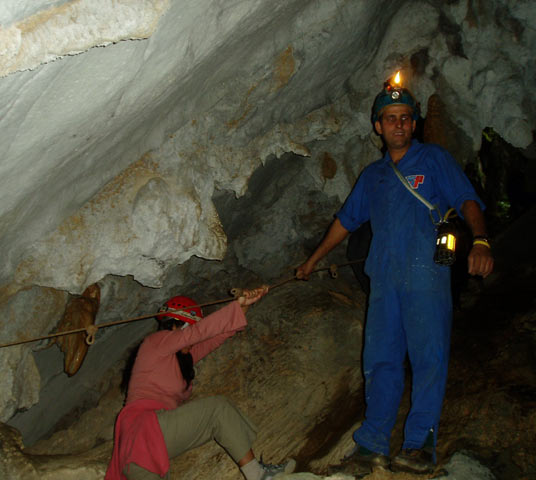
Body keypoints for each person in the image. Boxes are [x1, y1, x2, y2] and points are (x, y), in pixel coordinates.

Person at [296, 77, 493, 475]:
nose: (398, 124)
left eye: (405, 118)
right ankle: (371, 445)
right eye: (390, 118)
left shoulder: (434, 160)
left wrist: (482, 241)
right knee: (380, 361)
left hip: (426, 274)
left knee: (428, 358)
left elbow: (467, 200)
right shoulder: (373, 176)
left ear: (414, 124)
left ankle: (420, 444)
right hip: (384, 280)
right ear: (378, 127)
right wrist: (314, 259)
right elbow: (346, 221)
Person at [106, 288, 296, 480]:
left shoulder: (178, 359)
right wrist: (235, 306)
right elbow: (197, 334)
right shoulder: (155, 342)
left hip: (148, 447)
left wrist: (245, 307)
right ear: (177, 325)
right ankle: (258, 475)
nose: (193, 339)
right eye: (190, 327)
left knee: (220, 411)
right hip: (143, 429)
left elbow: (215, 338)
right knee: (217, 409)